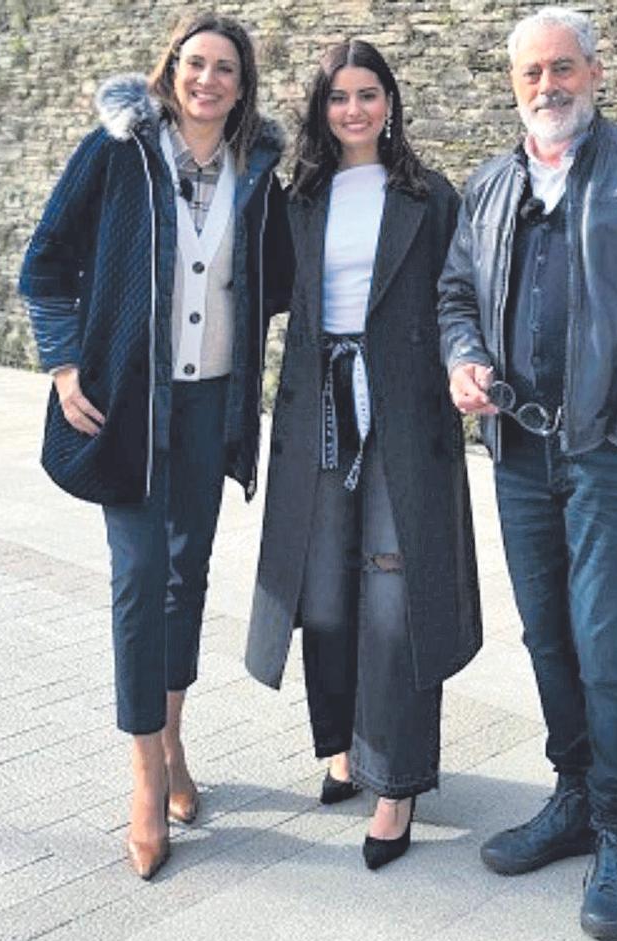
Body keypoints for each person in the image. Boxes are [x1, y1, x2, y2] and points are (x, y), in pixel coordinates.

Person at [438, 5, 617, 941]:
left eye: (564, 69)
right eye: (532, 74)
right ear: (513, 85)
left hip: (611, 457)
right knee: (548, 635)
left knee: (605, 642)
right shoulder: (488, 187)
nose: (549, 87)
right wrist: (463, 357)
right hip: (519, 454)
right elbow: (453, 297)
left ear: (596, 74)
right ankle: (571, 795)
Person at [19, 12, 292, 880]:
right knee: (140, 580)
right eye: (194, 63)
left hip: (212, 404)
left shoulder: (257, 174)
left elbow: (279, 279)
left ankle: (174, 739)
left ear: (243, 87)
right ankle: (145, 775)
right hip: (132, 405)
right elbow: (46, 261)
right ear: (171, 69)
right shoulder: (119, 150)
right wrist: (66, 369)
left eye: (225, 69)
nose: (207, 79)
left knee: (187, 574)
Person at [246, 38, 481, 871]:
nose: (354, 110)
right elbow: (253, 287)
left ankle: (398, 784)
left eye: (368, 94)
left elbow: (461, 297)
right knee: (328, 595)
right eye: (339, 96)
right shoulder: (298, 198)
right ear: (321, 107)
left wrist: (467, 367)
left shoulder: (429, 196)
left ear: (391, 102)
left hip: (405, 418)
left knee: (395, 597)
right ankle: (345, 745)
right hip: (318, 411)